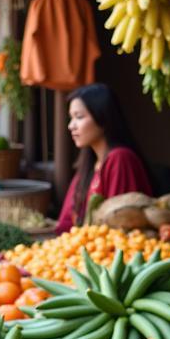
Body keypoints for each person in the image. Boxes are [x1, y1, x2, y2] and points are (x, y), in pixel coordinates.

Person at [55, 83, 153, 233]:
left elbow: (118, 226)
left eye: (79, 117)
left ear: (103, 117)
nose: (71, 126)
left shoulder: (120, 159)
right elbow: (66, 222)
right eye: (71, 118)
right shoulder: (88, 166)